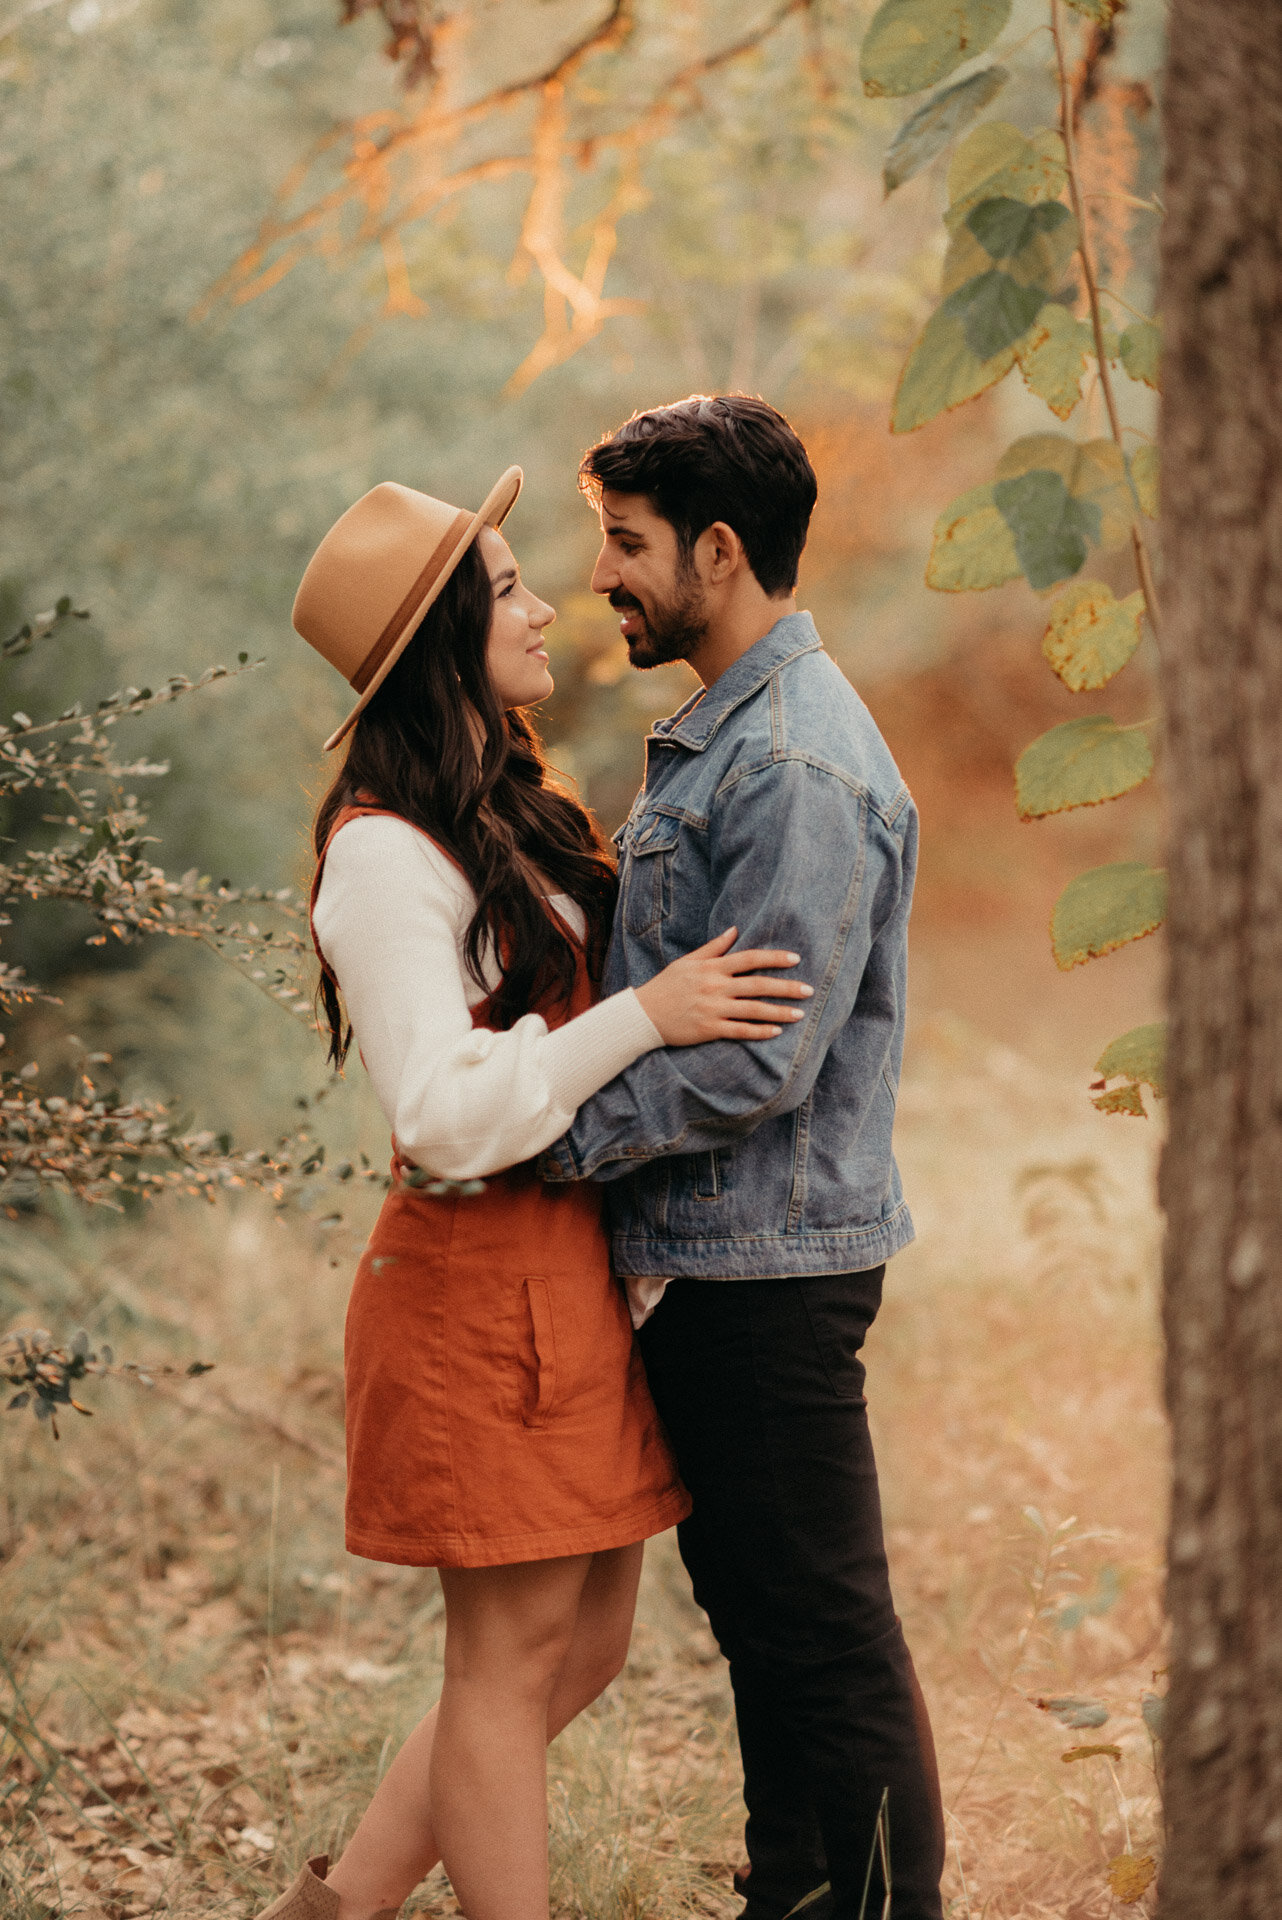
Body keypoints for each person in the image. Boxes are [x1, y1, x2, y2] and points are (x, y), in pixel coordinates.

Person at [258, 467, 813, 1920]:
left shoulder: (501, 809)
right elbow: (440, 1118)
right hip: (468, 1287)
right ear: (439, 636)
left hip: (559, 1276)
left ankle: (328, 1915)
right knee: (501, 1673)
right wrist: (649, 1018)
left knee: (580, 1650)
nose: (546, 602)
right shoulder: (382, 852)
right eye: (505, 587)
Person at [540, 396, 947, 1920]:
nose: (603, 574)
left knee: (821, 1631)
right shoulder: (732, 736)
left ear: (719, 551)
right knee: (771, 1624)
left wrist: (556, 1139)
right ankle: (796, 1893)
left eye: (628, 544)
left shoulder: (788, 762)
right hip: (726, 1255)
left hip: (764, 1264)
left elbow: (760, 1055)